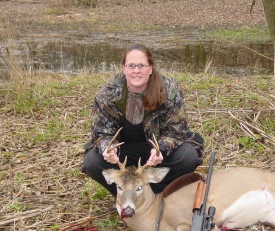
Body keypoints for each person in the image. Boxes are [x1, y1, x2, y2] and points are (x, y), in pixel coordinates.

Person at [82, 44, 204, 195]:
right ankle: (125, 194)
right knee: (92, 162)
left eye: (141, 65)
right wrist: (108, 149)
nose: (136, 71)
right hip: (123, 152)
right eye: (131, 65)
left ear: (151, 68)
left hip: (156, 151)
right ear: (124, 68)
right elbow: (100, 133)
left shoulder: (169, 91)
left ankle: (156, 194)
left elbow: (176, 131)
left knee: (188, 157)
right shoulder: (108, 93)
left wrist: (162, 149)